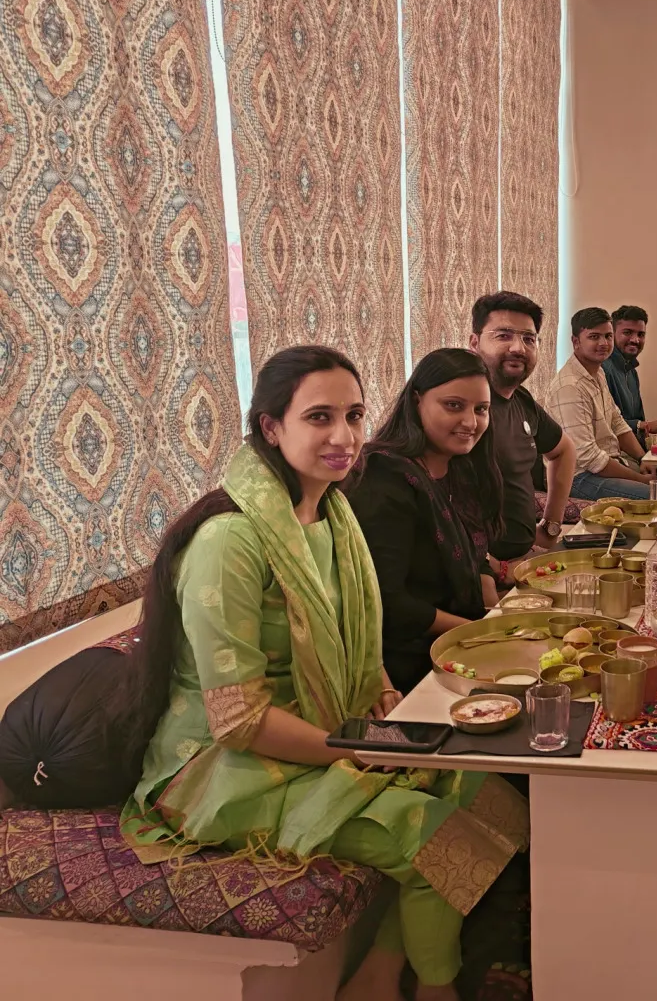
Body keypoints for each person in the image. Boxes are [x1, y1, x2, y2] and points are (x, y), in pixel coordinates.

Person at [117, 346, 528, 1001]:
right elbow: (238, 721)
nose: (344, 436)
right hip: (228, 768)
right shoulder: (230, 541)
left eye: (355, 415)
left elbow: (354, 641)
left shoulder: (332, 516)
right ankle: (438, 988)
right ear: (272, 426)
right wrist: (360, 749)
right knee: (441, 840)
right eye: (319, 417)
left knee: (492, 793)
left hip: (329, 730)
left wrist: (383, 700)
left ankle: (377, 973)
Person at [350, 349, 502, 693]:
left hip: (464, 637)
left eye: (481, 409)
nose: (471, 422)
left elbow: (476, 553)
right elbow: (387, 601)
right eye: (453, 405)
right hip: (412, 662)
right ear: (417, 400)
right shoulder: (384, 479)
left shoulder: (461, 465)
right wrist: (479, 631)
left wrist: (495, 609)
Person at [469, 291, 576, 561]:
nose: (518, 348)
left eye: (529, 339)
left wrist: (551, 527)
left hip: (526, 557)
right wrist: (490, 568)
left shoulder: (521, 399)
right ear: (474, 342)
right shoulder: (464, 406)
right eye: (503, 335)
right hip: (484, 572)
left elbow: (564, 450)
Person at [549, 308, 657, 500]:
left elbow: (617, 423)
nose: (603, 343)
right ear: (576, 342)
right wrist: (640, 480)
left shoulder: (597, 373)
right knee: (654, 494)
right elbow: (588, 457)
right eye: (594, 337)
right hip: (578, 476)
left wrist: (643, 458)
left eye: (608, 336)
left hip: (606, 464)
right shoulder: (570, 387)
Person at [603, 304, 657, 500]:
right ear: (612, 334)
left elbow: (635, 421)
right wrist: (645, 426)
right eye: (627, 332)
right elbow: (608, 424)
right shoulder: (604, 370)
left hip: (635, 448)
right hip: (616, 454)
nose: (635, 339)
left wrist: (652, 431)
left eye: (640, 334)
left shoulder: (630, 370)